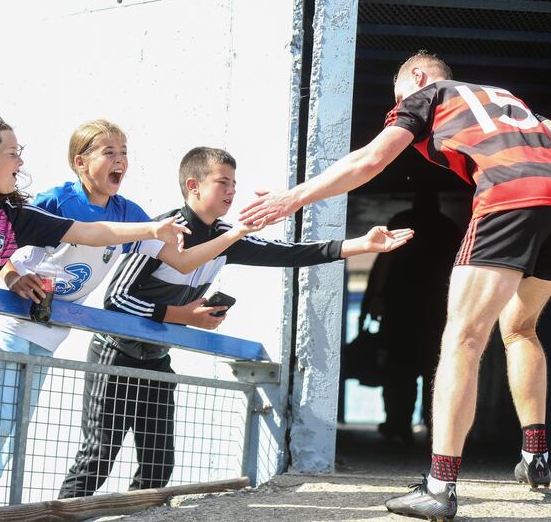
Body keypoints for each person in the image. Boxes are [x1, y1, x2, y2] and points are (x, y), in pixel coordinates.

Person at [239, 51, 551, 519]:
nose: (397, 108)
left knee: (462, 339)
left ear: (419, 77)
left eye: (397, 98)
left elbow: (371, 160)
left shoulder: (427, 96)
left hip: (508, 200)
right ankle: (535, 457)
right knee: (520, 328)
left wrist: (295, 197)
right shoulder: (510, 102)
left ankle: (439, 486)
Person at [0, 108, 249, 521]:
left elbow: (99, 235)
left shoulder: (27, 213)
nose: (21, 161)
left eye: (124, 151)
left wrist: (174, 231)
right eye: (13, 152)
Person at [56, 146, 414, 497]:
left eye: (234, 183)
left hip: (156, 360)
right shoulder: (163, 230)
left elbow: (288, 253)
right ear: (193, 185)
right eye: (222, 182)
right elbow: (116, 298)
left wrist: (361, 245)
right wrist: (181, 316)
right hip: (115, 356)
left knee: (158, 465)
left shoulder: (225, 235)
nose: (232, 190)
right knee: (98, 459)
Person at [362, 190, 460, 443]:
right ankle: (433, 427)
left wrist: (373, 299)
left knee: (399, 371)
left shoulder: (403, 221)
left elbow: (384, 263)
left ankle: (398, 423)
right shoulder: (447, 227)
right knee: (434, 370)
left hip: (401, 307)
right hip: (435, 309)